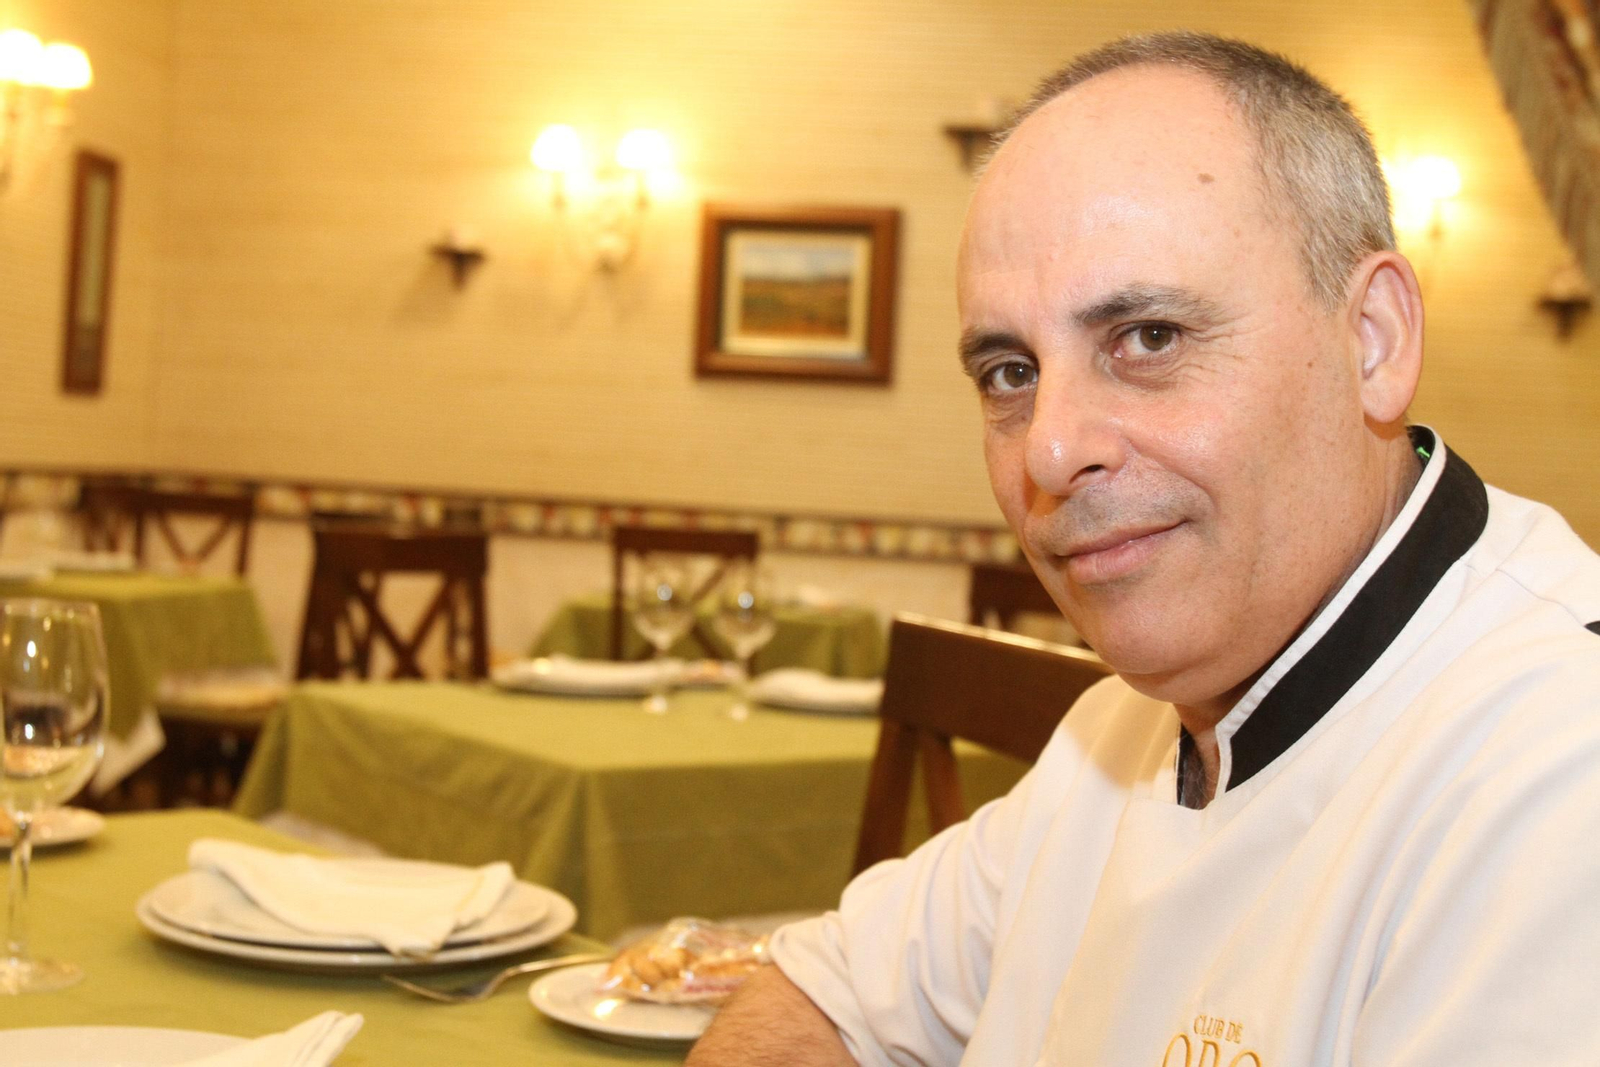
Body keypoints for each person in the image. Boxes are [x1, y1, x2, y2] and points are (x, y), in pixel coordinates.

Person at [686, 29, 1600, 1067]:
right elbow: (813, 995)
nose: (1051, 444)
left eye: (1148, 338)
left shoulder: (1558, 766)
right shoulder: (1116, 730)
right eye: (1007, 371)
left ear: (1373, 342)